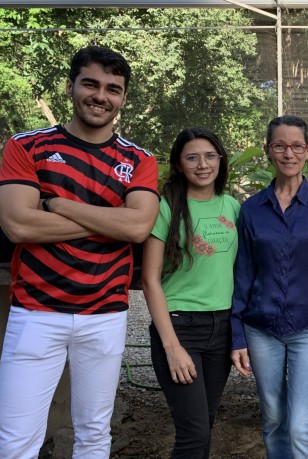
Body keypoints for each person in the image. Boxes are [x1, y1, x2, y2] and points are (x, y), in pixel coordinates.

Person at [0, 45, 159, 457]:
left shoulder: (139, 159)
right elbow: (17, 224)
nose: (100, 96)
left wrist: (55, 203)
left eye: (113, 89)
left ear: (122, 98)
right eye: (90, 83)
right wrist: (110, 218)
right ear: (70, 86)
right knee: (16, 441)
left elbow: (139, 226)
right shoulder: (25, 146)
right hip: (35, 313)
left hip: (104, 316)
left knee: (93, 434)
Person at [230, 115, 308, 458]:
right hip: (260, 329)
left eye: (296, 146)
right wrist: (238, 335)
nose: (288, 153)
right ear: (267, 150)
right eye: (279, 145)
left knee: (301, 424)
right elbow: (242, 275)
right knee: (275, 418)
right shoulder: (251, 210)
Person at [142, 127, 239, 458]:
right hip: (180, 326)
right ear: (179, 164)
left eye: (210, 156)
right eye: (192, 157)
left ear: (220, 161)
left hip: (223, 328)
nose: (203, 164)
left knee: (205, 425)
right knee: (194, 434)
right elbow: (150, 280)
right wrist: (172, 347)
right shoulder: (167, 207)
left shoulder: (232, 207)